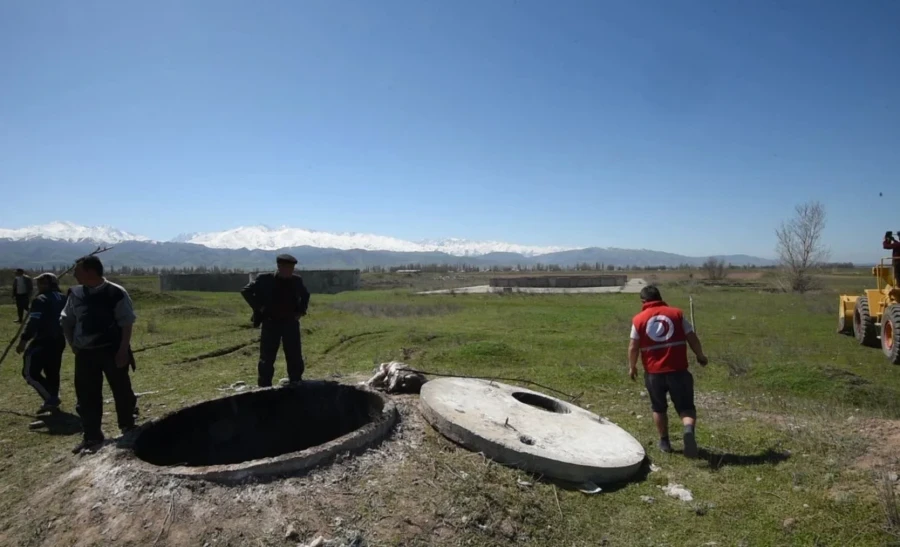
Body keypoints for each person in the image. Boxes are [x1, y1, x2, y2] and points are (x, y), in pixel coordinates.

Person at [60, 255, 138, 454]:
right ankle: (92, 435)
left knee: (121, 390)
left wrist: (123, 350)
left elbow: (126, 322)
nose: (74, 274)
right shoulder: (75, 294)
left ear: (90, 271)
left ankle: (128, 427)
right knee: (86, 395)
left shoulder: (115, 293)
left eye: (78, 271)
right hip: (85, 353)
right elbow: (66, 321)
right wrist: (73, 345)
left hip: (112, 350)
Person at [628, 285, 708, 458]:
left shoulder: (638, 319)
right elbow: (692, 337)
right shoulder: (677, 314)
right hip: (678, 370)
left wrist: (632, 366)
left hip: (653, 373)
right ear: (660, 297)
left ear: (643, 301)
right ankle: (688, 430)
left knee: (658, 407)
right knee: (686, 407)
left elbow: (633, 347)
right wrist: (700, 355)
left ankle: (664, 442)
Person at [241, 254, 310, 387]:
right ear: (279, 267)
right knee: (267, 356)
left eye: (292, 268)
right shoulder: (265, 279)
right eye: (287, 268)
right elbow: (246, 291)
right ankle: (264, 385)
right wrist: (260, 308)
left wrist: (301, 311)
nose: (290, 271)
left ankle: (295, 381)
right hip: (271, 322)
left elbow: (305, 295)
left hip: (290, 323)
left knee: (294, 354)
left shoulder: (296, 280)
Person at [15, 273, 67, 413]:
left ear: (46, 285)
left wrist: (24, 340)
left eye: (40, 284)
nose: (38, 287)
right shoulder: (63, 298)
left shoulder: (41, 300)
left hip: (43, 341)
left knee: (30, 373)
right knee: (52, 372)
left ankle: (51, 398)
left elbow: (34, 322)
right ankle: (52, 398)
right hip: (59, 340)